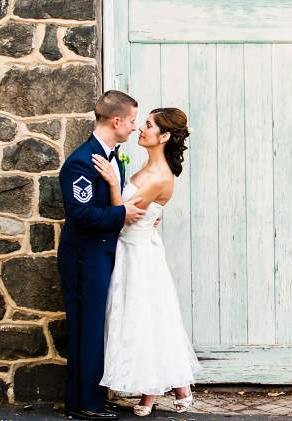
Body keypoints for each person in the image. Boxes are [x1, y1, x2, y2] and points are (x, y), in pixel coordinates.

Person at [95, 107, 201, 417]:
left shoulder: (158, 176)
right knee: (148, 317)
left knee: (143, 318)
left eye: (149, 125)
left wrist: (114, 184)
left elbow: (122, 216)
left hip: (139, 254)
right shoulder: (147, 167)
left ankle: (151, 390)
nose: (141, 129)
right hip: (132, 248)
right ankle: (180, 387)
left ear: (164, 136)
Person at [58, 91, 147, 420]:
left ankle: (92, 396)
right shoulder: (82, 161)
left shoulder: (111, 155)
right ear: (117, 121)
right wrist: (122, 214)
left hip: (103, 253)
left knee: (98, 327)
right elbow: (81, 215)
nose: (135, 127)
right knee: (87, 327)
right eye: (133, 121)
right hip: (85, 257)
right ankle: (83, 405)